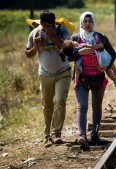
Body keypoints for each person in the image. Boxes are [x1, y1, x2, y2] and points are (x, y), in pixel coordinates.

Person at [67, 11, 116, 146]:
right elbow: (68, 57)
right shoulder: (76, 39)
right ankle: (82, 136)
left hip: (98, 78)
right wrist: (79, 52)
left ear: (94, 22)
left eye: (90, 21)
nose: (88, 24)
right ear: (81, 23)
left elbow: (113, 54)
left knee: (97, 107)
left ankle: (95, 134)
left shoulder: (101, 37)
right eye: (85, 21)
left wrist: (105, 66)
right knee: (82, 107)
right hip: (82, 78)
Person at [25, 10, 71, 148]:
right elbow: (28, 54)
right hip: (44, 75)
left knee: (59, 100)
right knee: (47, 106)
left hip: (63, 72)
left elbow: (68, 48)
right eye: (46, 26)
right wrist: (36, 46)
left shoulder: (62, 30)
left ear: (54, 22)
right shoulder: (35, 33)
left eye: (51, 25)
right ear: (42, 23)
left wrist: (54, 37)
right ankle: (47, 135)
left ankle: (57, 134)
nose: (48, 28)